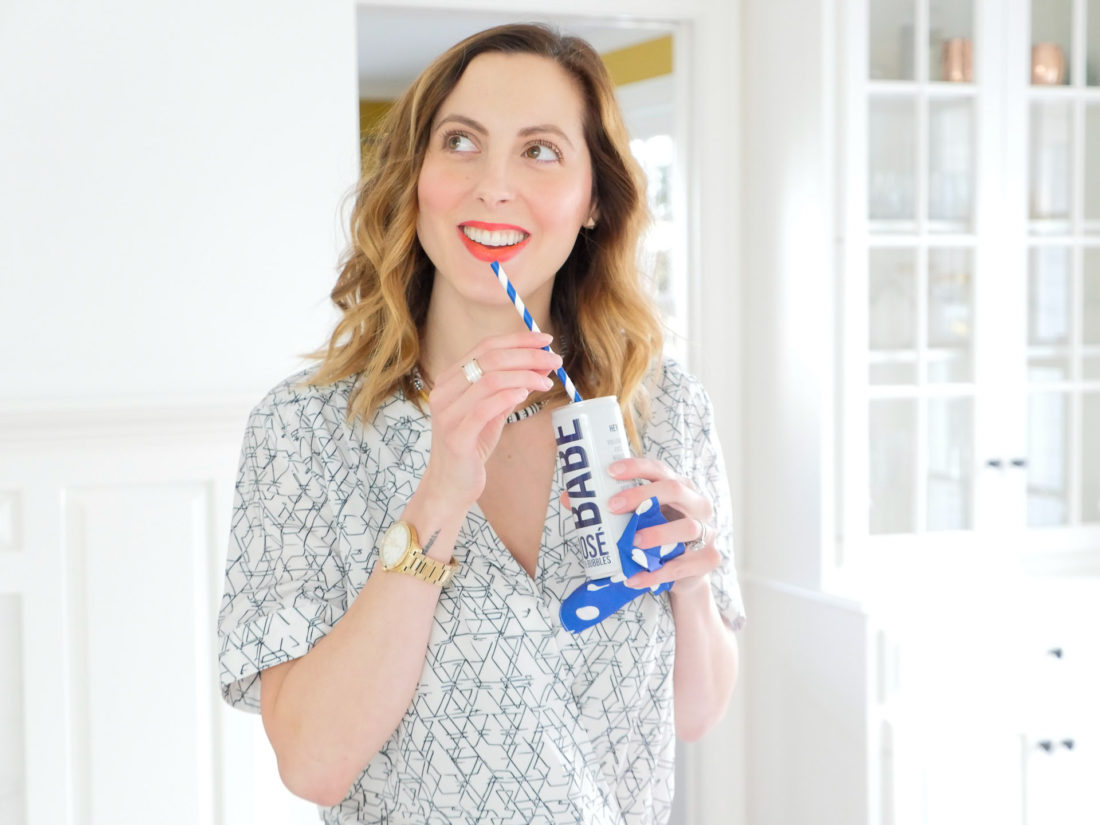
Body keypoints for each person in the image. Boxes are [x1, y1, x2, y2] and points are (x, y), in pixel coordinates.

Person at [217, 22, 745, 825]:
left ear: (594, 199)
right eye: (461, 142)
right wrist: (439, 497)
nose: (493, 186)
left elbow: (695, 713)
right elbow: (315, 763)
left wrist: (693, 585)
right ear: (416, 177)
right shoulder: (305, 432)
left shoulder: (662, 407)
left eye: (539, 151)